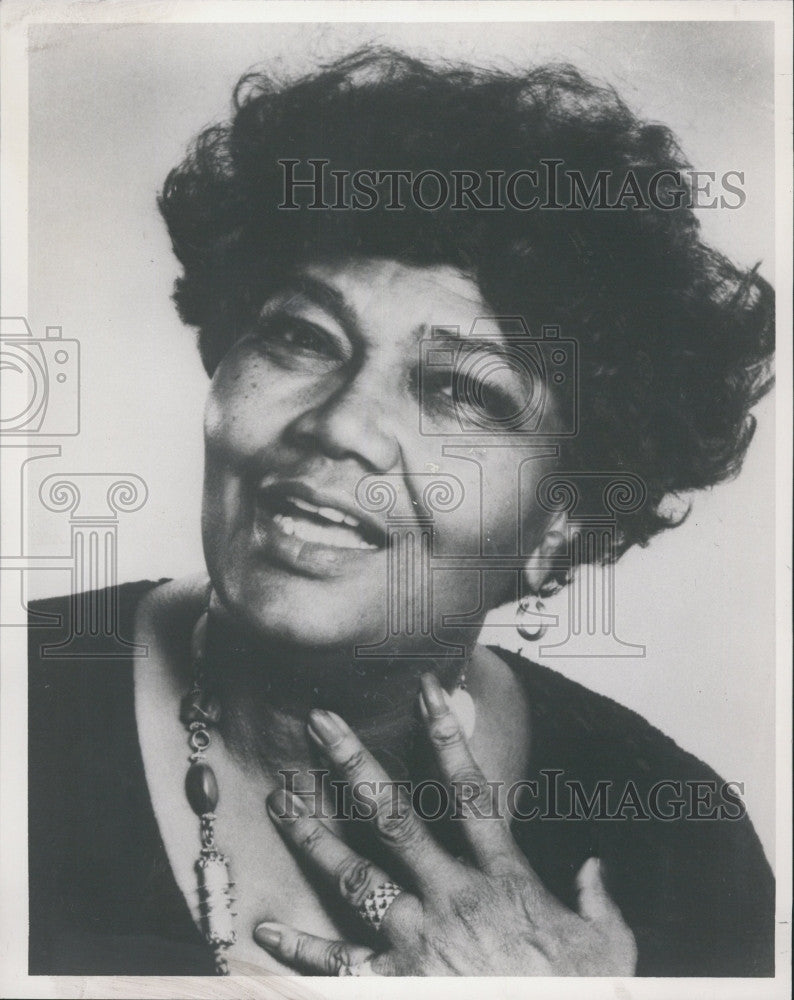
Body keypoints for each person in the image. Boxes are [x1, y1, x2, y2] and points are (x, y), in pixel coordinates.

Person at [28, 48, 775, 977]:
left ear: (561, 528)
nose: (339, 425)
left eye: (461, 392)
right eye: (303, 336)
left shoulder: (683, 860)